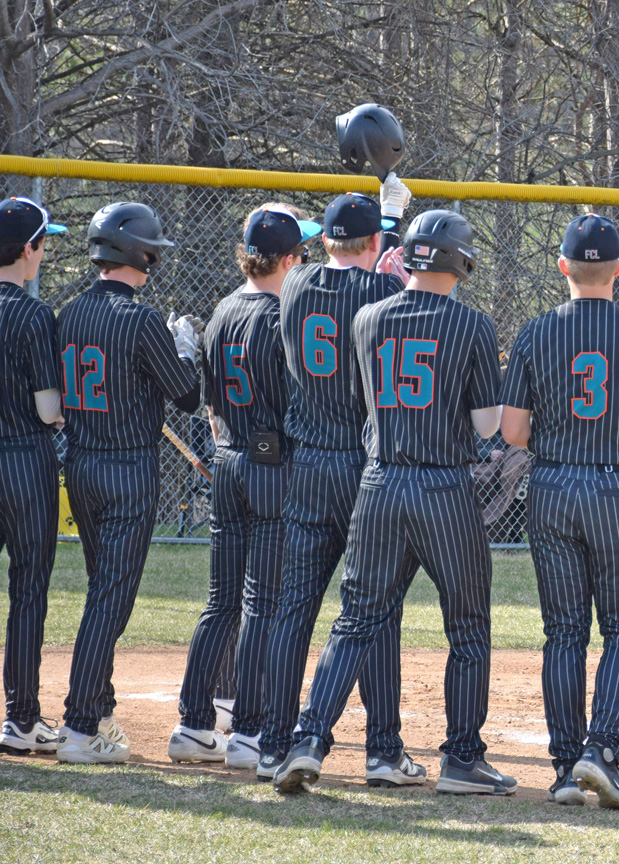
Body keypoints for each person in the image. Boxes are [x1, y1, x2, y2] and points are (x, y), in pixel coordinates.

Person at [272, 209, 515, 797]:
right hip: (442, 487)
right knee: (468, 626)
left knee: (355, 620)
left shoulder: (368, 317)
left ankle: (307, 741)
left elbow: (364, 400)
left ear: (406, 255)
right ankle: (461, 759)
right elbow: (488, 425)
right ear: (461, 261)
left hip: (379, 483)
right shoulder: (472, 325)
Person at [500, 214, 619, 809]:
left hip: (554, 488)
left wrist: (562, 447)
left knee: (563, 633)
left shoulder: (535, 333)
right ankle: (602, 752)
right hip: (617, 492)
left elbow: (512, 431)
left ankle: (564, 769)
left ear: (563, 266)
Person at [256, 182, 422, 787]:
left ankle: (274, 744)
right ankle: (382, 751)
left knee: (293, 608)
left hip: (307, 463)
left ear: (323, 239)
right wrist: (396, 223)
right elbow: (398, 286)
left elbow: (345, 265)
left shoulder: (294, 284)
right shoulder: (382, 288)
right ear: (374, 242)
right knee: (373, 610)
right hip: (363, 462)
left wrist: (383, 225)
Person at [167, 204, 321, 768]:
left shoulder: (222, 309)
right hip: (267, 462)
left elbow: (209, 404)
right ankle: (250, 728)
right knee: (262, 603)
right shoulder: (283, 315)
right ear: (287, 259)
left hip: (230, 457)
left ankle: (193, 722)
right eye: (301, 253)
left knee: (221, 601)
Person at [55, 202, 202, 763]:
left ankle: (100, 706)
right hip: (127, 470)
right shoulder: (141, 320)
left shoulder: (68, 312)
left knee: (101, 591)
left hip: (82, 463)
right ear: (137, 252)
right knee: (110, 599)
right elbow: (186, 396)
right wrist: (185, 349)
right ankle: (79, 726)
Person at [0, 197, 67, 755]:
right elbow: (49, 411)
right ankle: (20, 720)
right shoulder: (32, 313)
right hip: (23, 457)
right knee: (27, 591)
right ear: (28, 250)